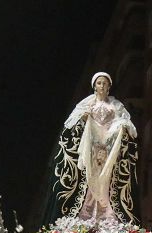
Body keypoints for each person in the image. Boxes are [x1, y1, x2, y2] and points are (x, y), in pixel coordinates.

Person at [44, 72, 139, 224]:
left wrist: (121, 127)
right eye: (99, 83)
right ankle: (86, 214)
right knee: (89, 178)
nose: (102, 86)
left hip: (108, 148)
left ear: (109, 87)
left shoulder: (115, 106)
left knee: (106, 179)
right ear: (94, 86)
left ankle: (105, 214)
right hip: (90, 147)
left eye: (105, 83)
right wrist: (83, 119)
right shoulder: (87, 104)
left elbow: (126, 123)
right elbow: (71, 124)